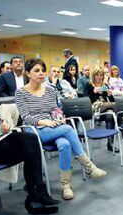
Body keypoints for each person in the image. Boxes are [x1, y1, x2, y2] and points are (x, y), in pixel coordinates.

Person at [15, 58, 106, 200]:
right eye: (36, 71)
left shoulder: (50, 90)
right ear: (28, 73)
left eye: (42, 71)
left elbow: (55, 109)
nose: (41, 74)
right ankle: (89, 167)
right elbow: (25, 117)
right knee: (68, 129)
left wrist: (59, 117)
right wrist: (43, 122)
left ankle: (66, 186)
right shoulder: (21, 92)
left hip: (53, 126)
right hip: (34, 131)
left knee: (65, 144)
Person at [0, 108, 59, 215]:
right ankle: (33, 198)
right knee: (27, 150)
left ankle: (37, 192)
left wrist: (2, 122)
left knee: (30, 139)